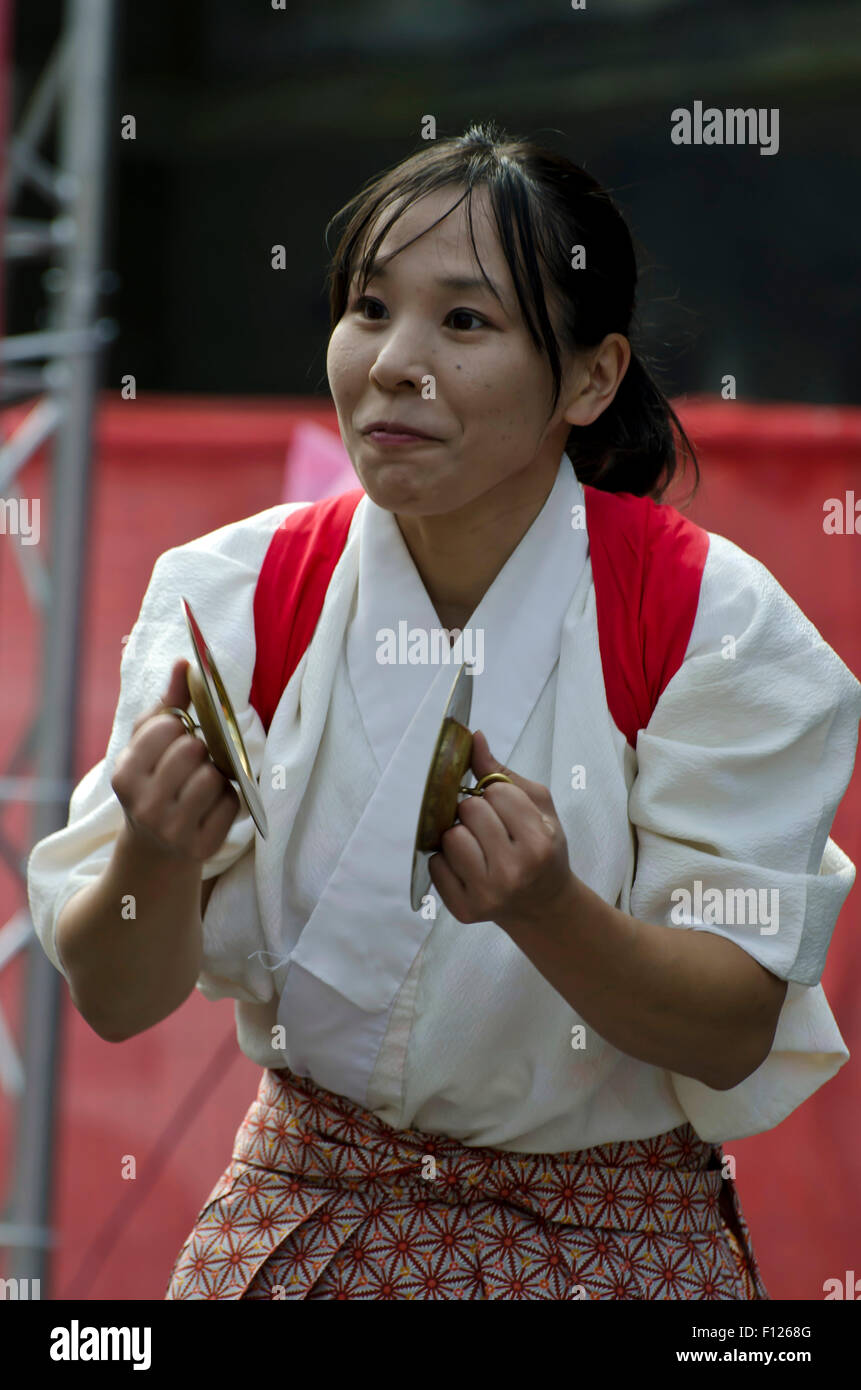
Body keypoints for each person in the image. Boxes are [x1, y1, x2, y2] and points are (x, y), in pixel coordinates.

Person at [27, 120, 861, 1301]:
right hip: (298, 1223)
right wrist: (155, 856)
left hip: (603, 1249)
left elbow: (731, 1025)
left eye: (464, 321)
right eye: (369, 308)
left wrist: (551, 912)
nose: (393, 362)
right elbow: (114, 998)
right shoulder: (235, 594)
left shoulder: (708, 622)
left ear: (591, 375)